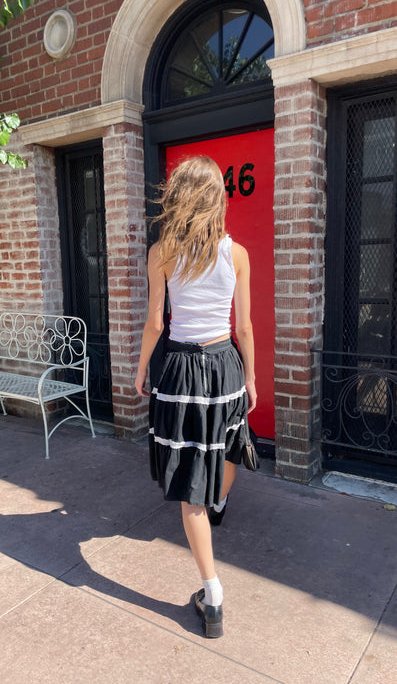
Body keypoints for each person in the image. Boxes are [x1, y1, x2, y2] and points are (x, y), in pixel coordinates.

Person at [134, 156, 256, 639]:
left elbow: (155, 323)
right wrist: (251, 377)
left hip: (183, 369)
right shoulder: (237, 253)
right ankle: (221, 500)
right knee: (228, 441)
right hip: (225, 361)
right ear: (216, 198)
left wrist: (142, 366)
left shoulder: (162, 251)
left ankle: (213, 594)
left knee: (189, 489)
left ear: (178, 198)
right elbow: (243, 325)